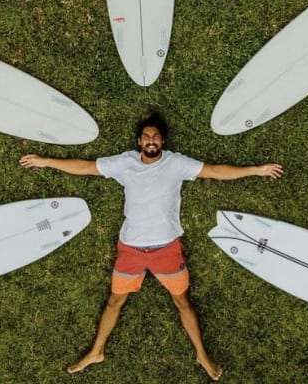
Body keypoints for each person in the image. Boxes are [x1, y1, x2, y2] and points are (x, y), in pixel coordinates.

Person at [19, 110, 283, 381]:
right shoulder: (124, 163)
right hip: (130, 249)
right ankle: (96, 351)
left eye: (156, 136)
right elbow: (86, 166)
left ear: (163, 141)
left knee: (182, 302)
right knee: (114, 302)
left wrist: (256, 170)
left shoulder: (176, 164)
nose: (151, 140)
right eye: (146, 136)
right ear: (138, 142)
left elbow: (215, 171)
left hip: (166, 249)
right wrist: (45, 161)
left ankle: (201, 354)